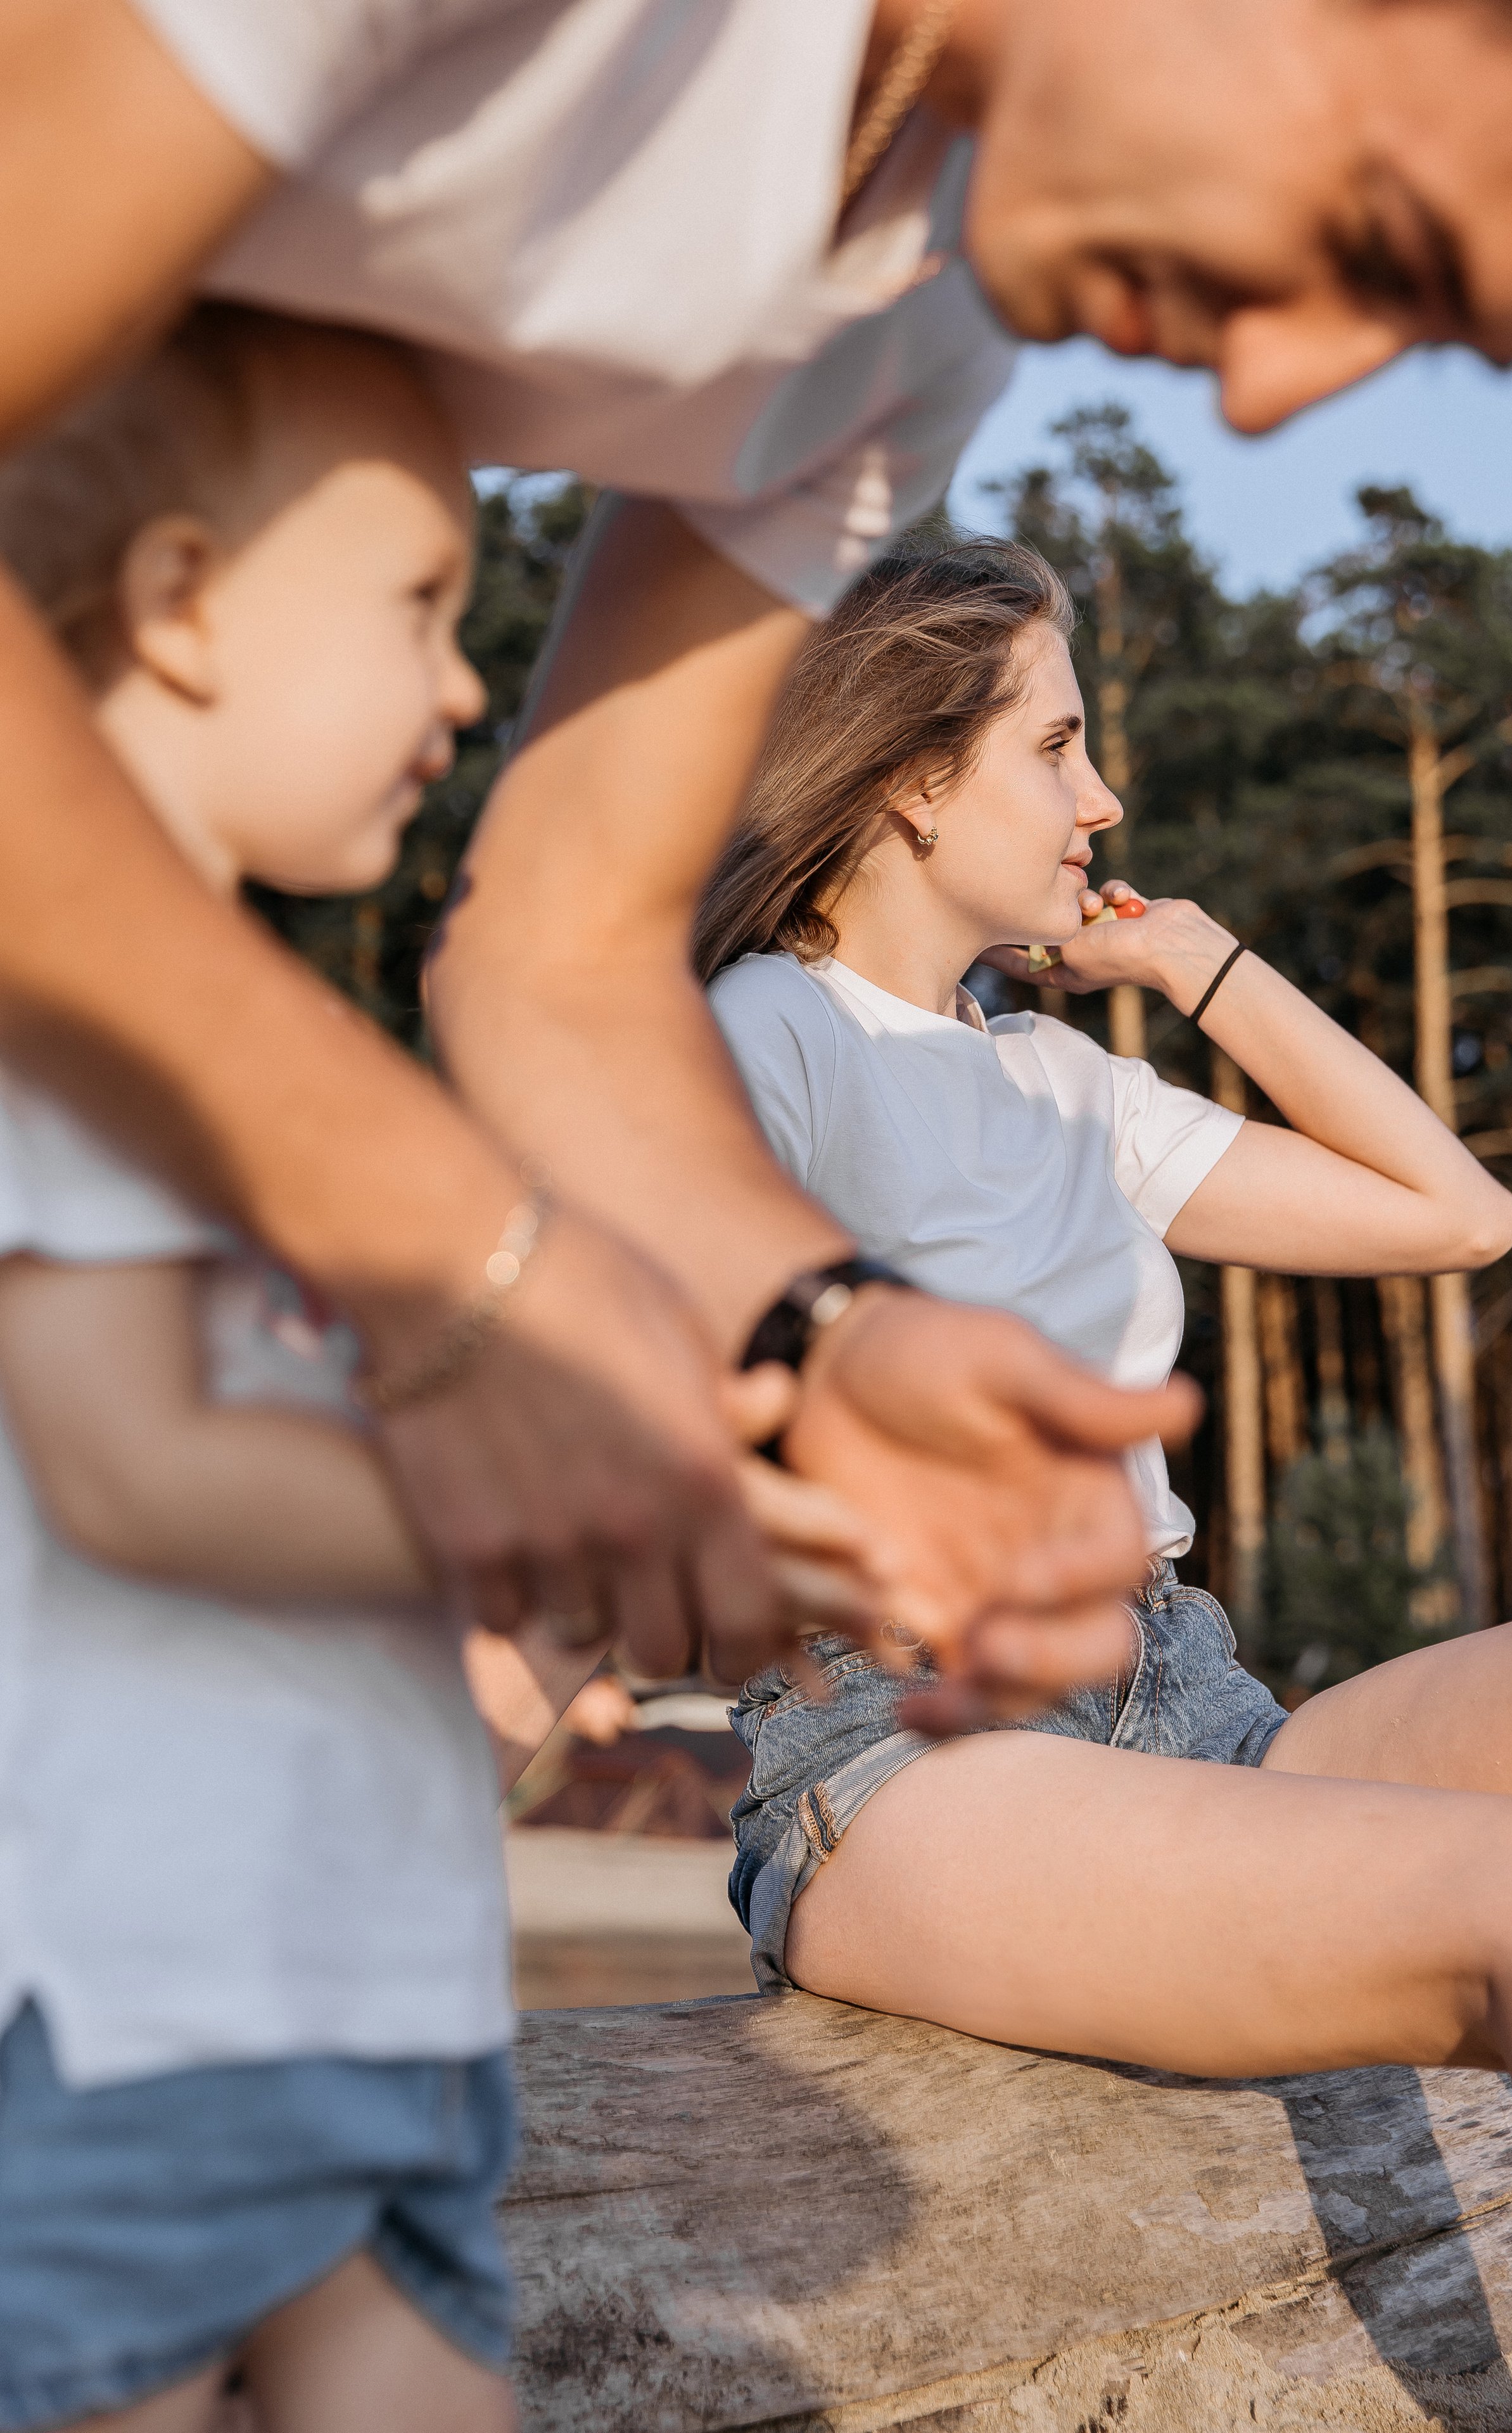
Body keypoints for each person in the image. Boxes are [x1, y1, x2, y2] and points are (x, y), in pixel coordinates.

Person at [4, 0, 1512, 1707]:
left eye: (1420, 346)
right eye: (1379, 242)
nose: (1274, 387)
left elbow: (556, 950)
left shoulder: (916, 335)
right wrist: (470, 1254)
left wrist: (825, 1335)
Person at [0, 300, 883, 2433]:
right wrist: (585, 1491)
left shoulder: (266, 1081)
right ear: (184, 606)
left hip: (372, 2016)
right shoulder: (88, 1042)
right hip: (137, 2034)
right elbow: (129, 1465)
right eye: (417, 608)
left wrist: (612, 1559)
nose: (471, 686)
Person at [695, 535, 1512, 2296]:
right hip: (915, 1755)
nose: (1103, 798)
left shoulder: (1061, 1081)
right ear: (905, 780)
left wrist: (1206, 969)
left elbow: (1459, 1219)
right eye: (1054, 749)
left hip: (1203, 1711)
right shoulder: (775, 1032)